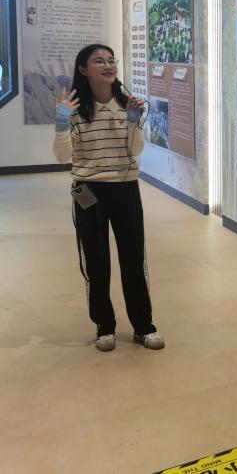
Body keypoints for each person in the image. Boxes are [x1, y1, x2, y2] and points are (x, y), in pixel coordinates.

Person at [52, 44, 164, 353]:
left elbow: (135, 150)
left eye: (111, 60)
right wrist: (61, 122)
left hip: (125, 188)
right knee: (96, 261)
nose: (108, 65)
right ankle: (104, 325)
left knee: (133, 259)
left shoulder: (126, 104)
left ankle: (143, 325)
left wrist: (134, 121)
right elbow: (62, 156)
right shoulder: (74, 108)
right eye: (98, 61)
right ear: (83, 69)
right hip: (87, 190)